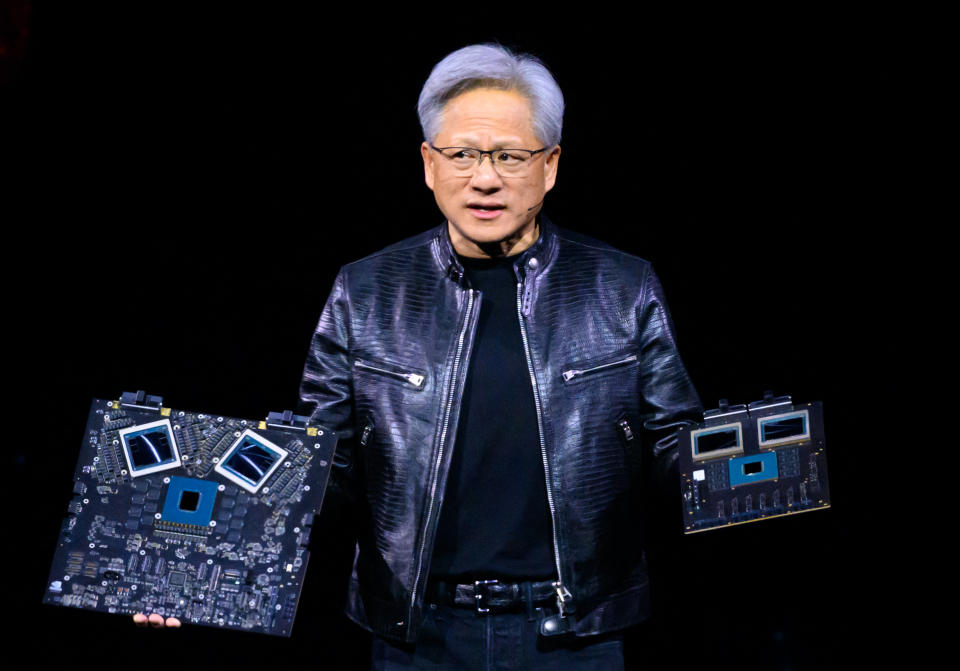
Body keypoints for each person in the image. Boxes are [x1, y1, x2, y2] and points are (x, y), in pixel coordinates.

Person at [136, 43, 703, 670]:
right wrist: (185, 562)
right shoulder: (368, 289)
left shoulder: (621, 286)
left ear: (550, 166)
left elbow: (670, 444)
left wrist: (749, 466)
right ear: (429, 164)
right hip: (419, 635)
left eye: (510, 157)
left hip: (575, 636)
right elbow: (324, 463)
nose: (484, 177)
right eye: (461, 154)